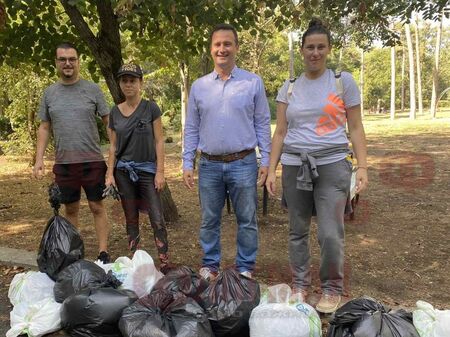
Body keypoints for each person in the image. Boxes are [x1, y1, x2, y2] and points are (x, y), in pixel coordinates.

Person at [266, 19, 369, 313]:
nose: (315, 52)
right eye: (310, 47)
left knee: (329, 232)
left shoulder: (342, 81)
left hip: (333, 165)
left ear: (328, 49)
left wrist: (362, 166)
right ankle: (300, 285)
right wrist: (271, 168)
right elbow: (281, 132)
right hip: (295, 165)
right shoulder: (290, 86)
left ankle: (331, 288)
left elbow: (356, 127)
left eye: (320, 47)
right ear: (302, 50)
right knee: (297, 230)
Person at [182, 23, 271, 281]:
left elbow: (263, 122)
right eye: (217, 44)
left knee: (247, 219)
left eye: (227, 44)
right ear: (211, 49)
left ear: (236, 48)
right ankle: (210, 265)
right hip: (209, 165)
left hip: (243, 163)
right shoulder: (199, 87)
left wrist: (266, 159)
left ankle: (245, 268)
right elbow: (192, 127)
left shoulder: (253, 83)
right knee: (209, 220)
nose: (222, 49)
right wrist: (188, 162)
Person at [33, 42, 111, 263]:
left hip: (93, 160)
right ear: (56, 63)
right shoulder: (50, 93)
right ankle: (74, 254)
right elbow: (45, 127)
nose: (67, 63)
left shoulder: (92, 89)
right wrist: (39, 159)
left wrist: (115, 153)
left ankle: (103, 253)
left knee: (97, 206)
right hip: (64, 163)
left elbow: (108, 122)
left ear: (78, 61)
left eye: (72, 59)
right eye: (62, 59)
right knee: (71, 210)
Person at [105, 64, 169, 272]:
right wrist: (109, 174)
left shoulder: (151, 108)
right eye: (124, 80)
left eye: (133, 80)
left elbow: (159, 141)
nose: (129, 84)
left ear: (140, 83)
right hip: (123, 172)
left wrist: (160, 171)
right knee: (130, 216)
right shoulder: (114, 112)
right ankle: (136, 261)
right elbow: (113, 146)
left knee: (157, 218)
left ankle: (164, 261)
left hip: (148, 171)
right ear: (120, 84)